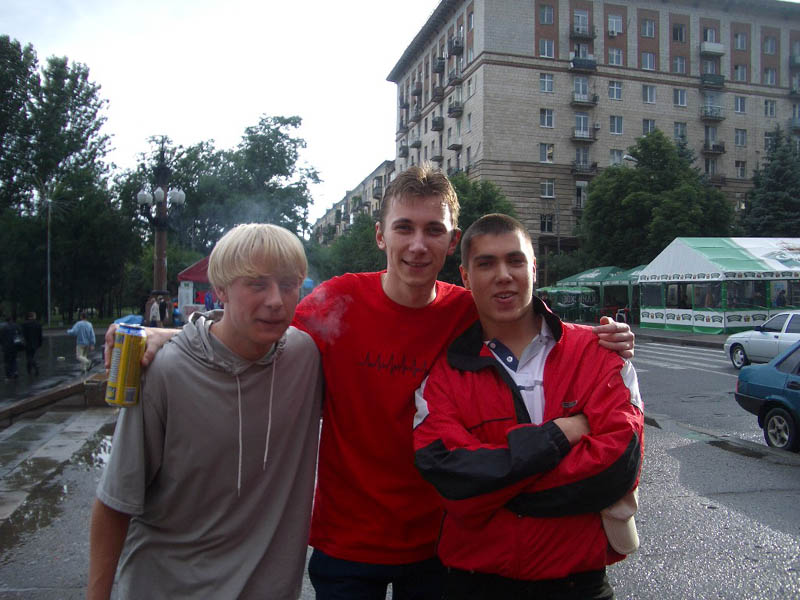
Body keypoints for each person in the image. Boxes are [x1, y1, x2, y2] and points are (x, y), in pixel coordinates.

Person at [115, 165, 635, 599]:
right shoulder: (336, 302)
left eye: (433, 230)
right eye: (404, 228)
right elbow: (255, 329)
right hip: (347, 542)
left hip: (437, 541)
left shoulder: (465, 311)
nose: (417, 245)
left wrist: (601, 335)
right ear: (380, 235)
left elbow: (526, 320)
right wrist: (172, 334)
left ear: (451, 241)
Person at [412, 214, 643, 599]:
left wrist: (494, 489)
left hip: (578, 585)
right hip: (473, 584)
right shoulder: (443, 375)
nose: (503, 275)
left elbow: (618, 465)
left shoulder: (598, 352)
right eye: (486, 263)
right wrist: (561, 434)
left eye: (515, 260)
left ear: (533, 268)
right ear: (466, 277)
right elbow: (451, 477)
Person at [88, 223, 323, 600]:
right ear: (221, 289)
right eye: (257, 284)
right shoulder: (164, 371)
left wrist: (163, 333)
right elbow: (116, 503)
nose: (276, 301)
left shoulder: (305, 357)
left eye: (288, 284)